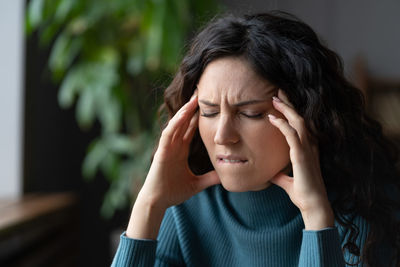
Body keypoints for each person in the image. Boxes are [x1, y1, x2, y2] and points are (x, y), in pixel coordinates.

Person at [111, 11, 400, 267]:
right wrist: (148, 205)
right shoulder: (186, 209)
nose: (223, 136)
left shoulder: (366, 206)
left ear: (305, 116)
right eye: (209, 111)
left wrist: (316, 216)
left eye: (250, 113)